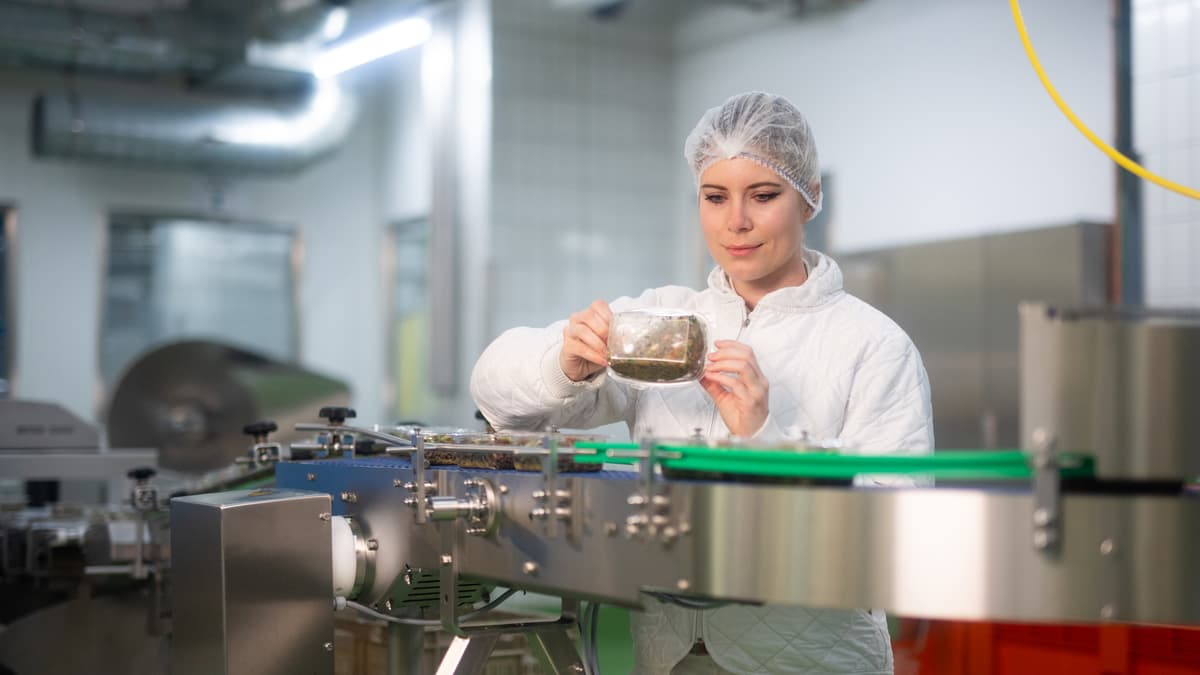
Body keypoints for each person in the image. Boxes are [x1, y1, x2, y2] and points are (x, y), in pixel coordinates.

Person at [471, 91, 934, 675]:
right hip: (668, 652)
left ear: (810, 198)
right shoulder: (664, 322)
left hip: (809, 659)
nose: (735, 221)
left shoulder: (871, 344)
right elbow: (493, 390)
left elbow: (898, 538)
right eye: (715, 197)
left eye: (763, 196)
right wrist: (563, 363)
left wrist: (765, 437)